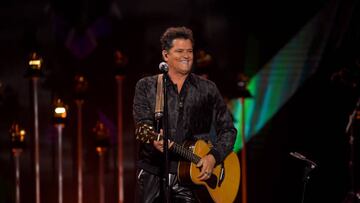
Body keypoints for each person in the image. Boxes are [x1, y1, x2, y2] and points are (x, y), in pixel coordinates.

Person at [132, 26, 237, 203]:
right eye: (179, 51)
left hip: (192, 179)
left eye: (189, 51)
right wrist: (153, 138)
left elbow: (228, 130)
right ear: (166, 55)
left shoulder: (207, 89)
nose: (186, 56)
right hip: (152, 174)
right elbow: (142, 124)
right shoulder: (147, 86)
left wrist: (213, 157)